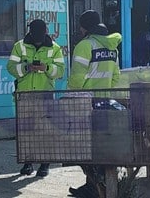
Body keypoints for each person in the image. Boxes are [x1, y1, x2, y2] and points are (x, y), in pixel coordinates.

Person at [67, 10, 122, 198]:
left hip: (86, 103)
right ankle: (95, 185)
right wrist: (104, 89)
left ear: (85, 27)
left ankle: (93, 186)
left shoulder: (84, 45)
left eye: (81, 25)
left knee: (85, 146)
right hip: (105, 101)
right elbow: (116, 76)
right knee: (100, 145)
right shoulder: (112, 47)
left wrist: (71, 97)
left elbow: (76, 79)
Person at [7, 19, 65, 177]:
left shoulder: (55, 48)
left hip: (45, 95)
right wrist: (27, 67)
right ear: (30, 32)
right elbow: (11, 67)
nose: (38, 38)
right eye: (35, 35)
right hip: (24, 94)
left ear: (46, 32)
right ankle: (27, 163)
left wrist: (46, 68)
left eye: (41, 35)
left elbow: (60, 71)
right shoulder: (19, 46)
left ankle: (44, 165)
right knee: (25, 131)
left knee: (45, 131)